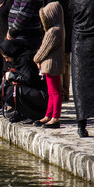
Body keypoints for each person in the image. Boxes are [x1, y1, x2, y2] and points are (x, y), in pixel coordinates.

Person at [0, 39, 48, 122]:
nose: (6, 60)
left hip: (41, 94)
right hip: (32, 92)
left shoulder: (25, 60)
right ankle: (23, 113)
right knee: (9, 90)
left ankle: (32, 114)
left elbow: (30, 80)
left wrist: (12, 76)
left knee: (12, 92)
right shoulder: (16, 61)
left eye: (7, 57)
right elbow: (6, 79)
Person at [33, 2, 65, 128]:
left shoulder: (54, 31)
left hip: (52, 65)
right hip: (50, 65)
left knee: (55, 92)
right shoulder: (58, 28)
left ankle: (55, 117)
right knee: (51, 92)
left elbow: (44, 49)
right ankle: (48, 115)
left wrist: (36, 58)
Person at [69, 0, 94, 137]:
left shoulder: (74, 2)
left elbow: (70, 14)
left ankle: (81, 125)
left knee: (80, 86)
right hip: (87, 40)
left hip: (79, 42)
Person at [44, 0, 72, 102]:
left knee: (59, 63)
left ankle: (61, 93)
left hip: (59, 29)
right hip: (66, 28)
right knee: (65, 63)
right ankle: (64, 93)